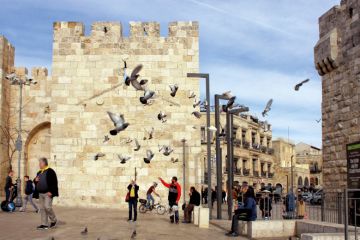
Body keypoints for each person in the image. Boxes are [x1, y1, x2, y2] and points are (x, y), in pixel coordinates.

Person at [34, 157, 58, 230]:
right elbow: (35, 181)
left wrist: (51, 191)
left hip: (48, 193)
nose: (39, 164)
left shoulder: (50, 171)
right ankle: (44, 224)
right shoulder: (39, 172)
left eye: (40, 163)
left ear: (44, 163)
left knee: (47, 207)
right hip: (40, 193)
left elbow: (54, 182)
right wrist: (35, 180)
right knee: (42, 208)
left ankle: (54, 220)